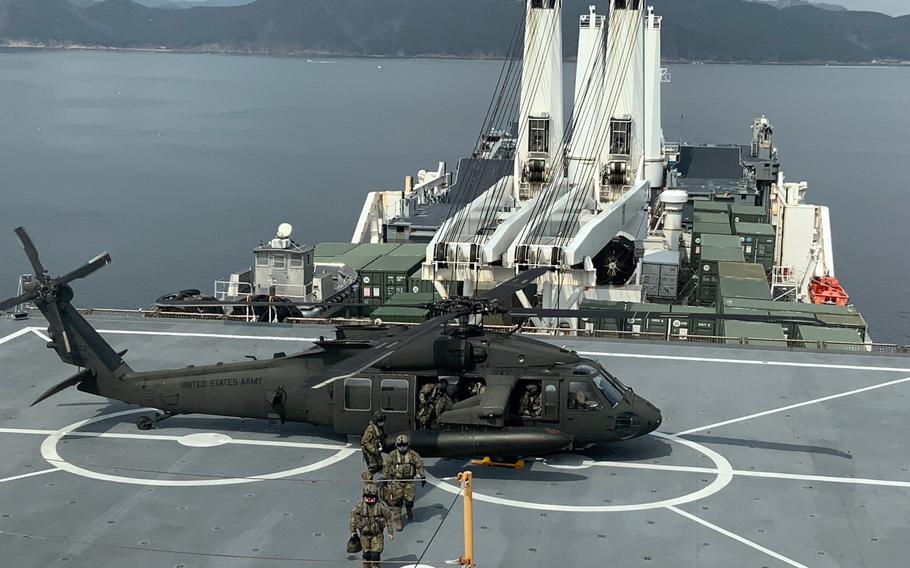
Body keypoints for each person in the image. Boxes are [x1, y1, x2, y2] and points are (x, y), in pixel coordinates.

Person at [382, 434, 426, 530]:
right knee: (397, 500)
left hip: (409, 480)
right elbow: (387, 465)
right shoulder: (393, 455)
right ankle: (398, 520)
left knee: (410, 499)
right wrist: (385, 478)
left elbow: (419, 464)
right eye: (400, 445)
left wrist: (422, 476)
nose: (402, 447)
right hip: (397, 481)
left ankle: (409, 508)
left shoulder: (412, 454)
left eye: (404, 445)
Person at [350, 483, 394, 568]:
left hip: (377, 534)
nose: (369, 499)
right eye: (367, 497)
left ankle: (376, 565)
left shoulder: (382, 505)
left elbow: (388, 518)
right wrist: (353, 531)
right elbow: (353, 517)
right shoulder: (360, 505)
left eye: (371, 497)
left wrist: (390, 532)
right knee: (367, 555)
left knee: (375, 555)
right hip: (364, 534)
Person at [361, 411, 386, 481]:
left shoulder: (380, 428)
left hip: (376, 449)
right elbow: (365, 442)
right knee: (373, 466)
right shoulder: (370, 429)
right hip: (369, 450)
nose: (382, 423)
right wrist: (373, 450)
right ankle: (367, 477)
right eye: (380, 421)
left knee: (380, 465)